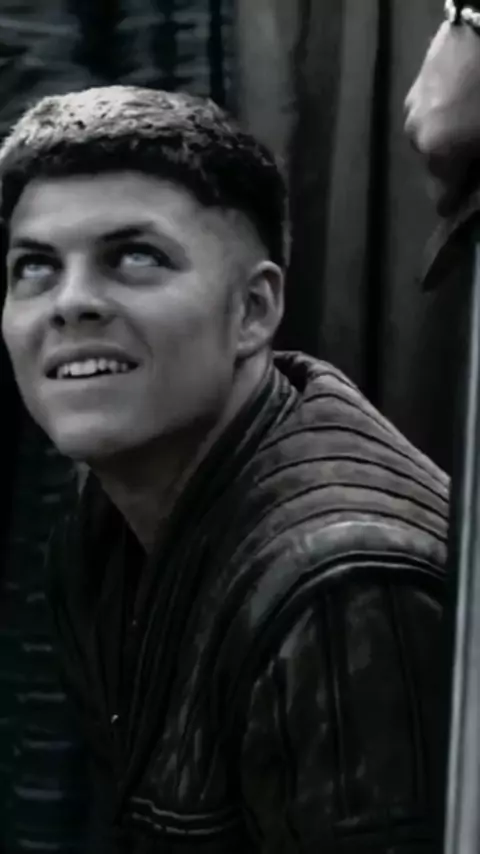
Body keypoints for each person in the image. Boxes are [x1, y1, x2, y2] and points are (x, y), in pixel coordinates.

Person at [0, 85, 449, 852]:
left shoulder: (342, 590)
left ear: (254, 310)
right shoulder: (101, 519)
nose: (70, 303)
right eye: (35, 267)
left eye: (135, 257)